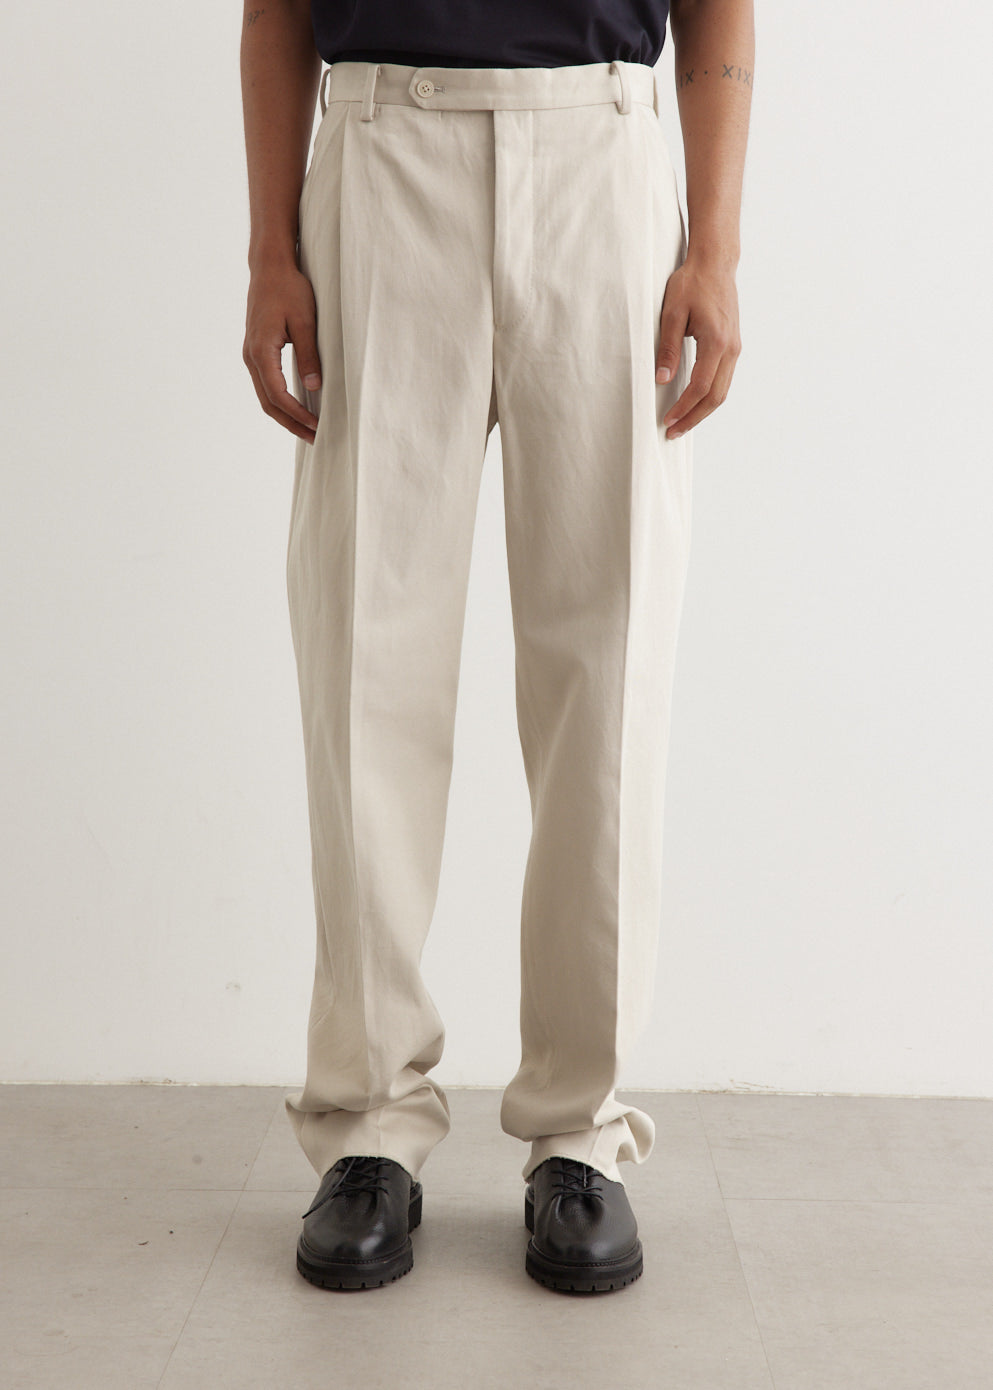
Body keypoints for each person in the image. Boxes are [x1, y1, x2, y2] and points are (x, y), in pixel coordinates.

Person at [241, 0, 752, 1295]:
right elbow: (276, 9)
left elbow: (718, 8)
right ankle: (367, 1122)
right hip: (381, 157)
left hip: (602, 159)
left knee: (607, 671)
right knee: (365, 662)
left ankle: (581, 1133)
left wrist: (716, 248)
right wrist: (268, 250)